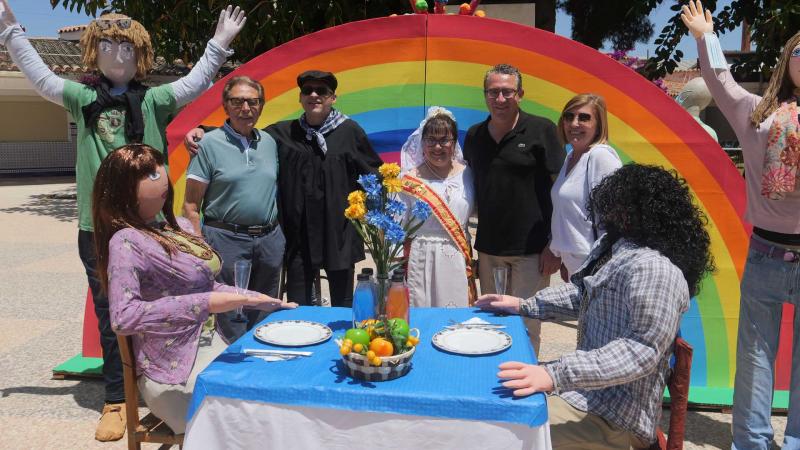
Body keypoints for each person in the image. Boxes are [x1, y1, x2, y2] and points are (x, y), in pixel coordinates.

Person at [0, 2, 246, 440]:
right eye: (109, 45)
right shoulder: (82, 98)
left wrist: (219, 44)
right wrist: (14, 34)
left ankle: (163, 382)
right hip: (98, 228)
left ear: (141, 56)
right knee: (112, 312)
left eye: (127, 47)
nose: (118, 55)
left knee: (166, 304)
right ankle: (118, 397)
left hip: (153, 226)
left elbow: (190, 84)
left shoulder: (152, 100)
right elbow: (40, 78)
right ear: (94, 51)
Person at [476, 164, 715, 449]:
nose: (610, 214)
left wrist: (554, 374)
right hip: (586, 396)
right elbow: (583, 294)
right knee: (493, 399)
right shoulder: (614, 245)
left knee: (502, 430)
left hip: (616, 420)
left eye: (621, 206)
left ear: (646, 213)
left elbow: (640, 350)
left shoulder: (655, 270)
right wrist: (524, 305)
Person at [93, 144, 296, 435]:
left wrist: (259, 300)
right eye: (149, 174)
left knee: (273, 391)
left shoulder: (177, 227)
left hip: (211, 347)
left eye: (159, 167)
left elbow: (209, 287)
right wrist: (205, 303)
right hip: (172, 374)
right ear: (123, 188)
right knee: (247, 419)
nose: (162, 176)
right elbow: (123, 317)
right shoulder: (126, 241)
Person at [683, 1, 800, 448]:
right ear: (787, 61)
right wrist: (705, 36)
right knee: (756, 355)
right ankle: (751, 440)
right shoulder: (757, 114)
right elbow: (720, 81)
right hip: (768, 252)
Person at [186, 70, 383, 307]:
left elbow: (374, 175)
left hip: (337, 235)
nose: (314, 95)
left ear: (333, 97)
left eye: (321, 91)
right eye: (307, 90)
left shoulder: (350, 132)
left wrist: (371, 218)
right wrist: (203, 131)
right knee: (298, 305)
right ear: (300, 98)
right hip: (299, 237)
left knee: (342, 305)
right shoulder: (284, 133)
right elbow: (243, 131)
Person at [463, 63, 564, 354]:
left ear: (520, 94)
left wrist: (553, 245)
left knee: (527, 323)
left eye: (507, 92)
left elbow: (561, 192)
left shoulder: (542, 129)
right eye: (493, 92)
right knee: (493, 321)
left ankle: (526, 384)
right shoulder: (474, 136)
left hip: (531, 251)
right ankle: (495, 380)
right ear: (485, 95)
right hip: (489, 249)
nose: (500, 98)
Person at [183, 76, 283, 341]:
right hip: (226, 240)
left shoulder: (270, 143)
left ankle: (259, 368)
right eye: (237, 101)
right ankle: (234, 370)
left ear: (261, 106)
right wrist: (198, 250)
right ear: (225, 106)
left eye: (252, 101)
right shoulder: (207, 144)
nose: (245, 108)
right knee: (231, 312)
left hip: (269, 240)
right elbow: (191, 205)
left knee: (265, 309)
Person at [399, 107, 476, 307]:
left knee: (456, 320)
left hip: (457, 255)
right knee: (421, 317)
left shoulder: (468, 174)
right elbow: (397, 228)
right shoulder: (407, 180)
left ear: (454, 142)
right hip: (420, 256)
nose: (438, 147)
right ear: (421, 143)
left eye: (444, 140)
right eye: (431, 140)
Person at [548, 94, 621, 280]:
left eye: (584, 117)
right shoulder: (571, 157)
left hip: (595, 266)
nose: (574, 123)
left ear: (599, 125)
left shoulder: (600, 157)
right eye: (569, 116)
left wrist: (599, 266)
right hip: (575, 264)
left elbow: (615, 216)